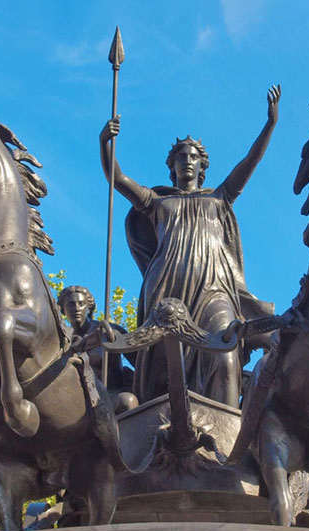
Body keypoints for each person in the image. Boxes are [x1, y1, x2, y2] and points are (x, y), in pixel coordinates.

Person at [100, 86, 280, 407]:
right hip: (166, 292)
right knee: (160, 377)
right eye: (181, 156)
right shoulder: (156, 202)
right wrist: (105, 143)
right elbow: (117, 178)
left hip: (214, 290)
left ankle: (225, 441)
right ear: (172, 165)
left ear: (202, 166)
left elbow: (250, 160)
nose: (187, 161)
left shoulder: (219, 198)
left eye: (193, 157)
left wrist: (271, 122)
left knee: (225, 354)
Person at [57, 285, 137, 413]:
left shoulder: (109, 331)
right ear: (63, 310)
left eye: (81, 304)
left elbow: (140, 361)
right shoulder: (62, 342)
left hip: (113, 395)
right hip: (81, 404)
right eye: (71, 305)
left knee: (128, 401)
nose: (76, 309)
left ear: (89, 307)